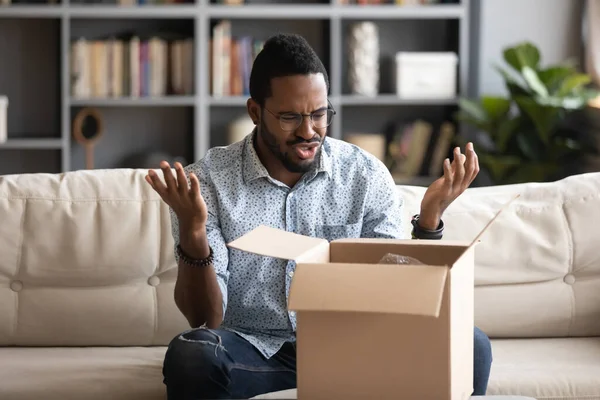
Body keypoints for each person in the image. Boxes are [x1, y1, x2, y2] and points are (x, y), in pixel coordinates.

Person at [146, 33, 491, 400]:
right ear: (255, 112)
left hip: (357, 348)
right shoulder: (209, 182)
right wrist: (193, 230)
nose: (309, 131)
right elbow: (206, 318)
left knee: (472, 345)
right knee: (192, 355)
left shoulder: (364, 175)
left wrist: (428, 220)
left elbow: (401, 294)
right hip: (258, 353)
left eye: (320, 114)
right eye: (291, 117)